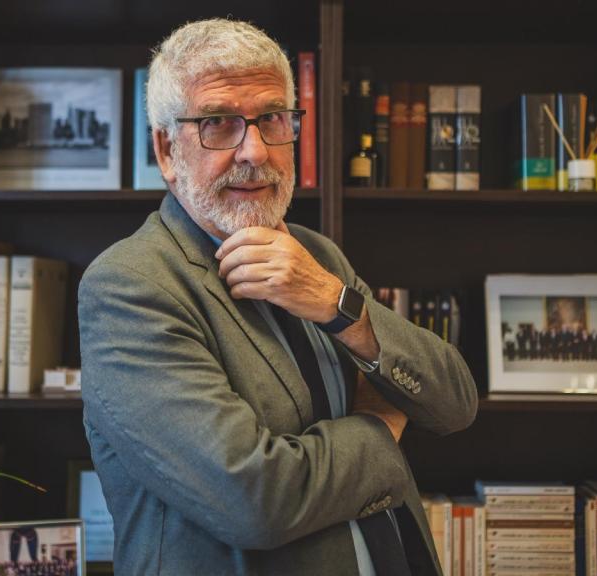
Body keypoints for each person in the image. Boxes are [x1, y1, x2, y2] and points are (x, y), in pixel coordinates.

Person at [78, 18, 478, 575]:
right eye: (218, 123)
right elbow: (253, 500)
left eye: (271, 120)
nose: (255, 151)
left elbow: (454, 404)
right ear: (167, 149)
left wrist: (337, 304)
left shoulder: (317, 255)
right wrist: (378, 428)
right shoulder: (131, 285)